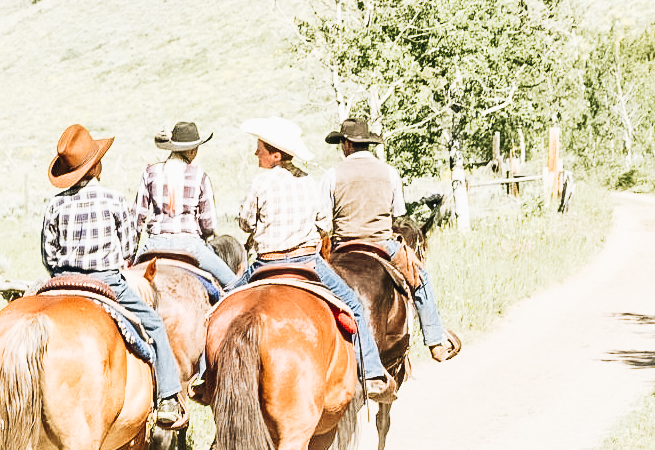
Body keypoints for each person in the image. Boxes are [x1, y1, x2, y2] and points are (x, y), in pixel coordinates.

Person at [229, 116, 395, 401]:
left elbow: (245, 223)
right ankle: (372, 372)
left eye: (260, 148)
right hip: (307, 261)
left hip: (266, 262)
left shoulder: (261, 183)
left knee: (222, 304)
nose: (256, 153)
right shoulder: (307, 181)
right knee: (353, 305)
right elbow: (324, 223)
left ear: (275, 154)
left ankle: (204, 375)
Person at [41, 123, 186, 427]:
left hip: (60, 283)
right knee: (155, 325)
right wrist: (118, 262)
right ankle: (169, 398)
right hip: (106, 282)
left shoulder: (54, 205)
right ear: (96, 166)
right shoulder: (116, 200)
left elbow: (49, 255)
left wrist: (61, 272)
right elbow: (130, 247)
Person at [321, 117, 460, 362]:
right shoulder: (389, 172)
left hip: (342, 246)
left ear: (348, 144)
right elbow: (398, 213)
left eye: (342, 143)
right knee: (420, 278)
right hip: (382, 244)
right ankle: (435, 341)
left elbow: (323, 219)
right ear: (365, 144)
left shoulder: (332, 175)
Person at [132, 122, 237, 288]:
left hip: (154, 245)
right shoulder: (200, 175)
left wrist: (130, 257)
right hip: (190, 246)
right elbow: (209, 224)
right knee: (235, 284)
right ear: (192, 150)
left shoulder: (150, 172)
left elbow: (136, 218)